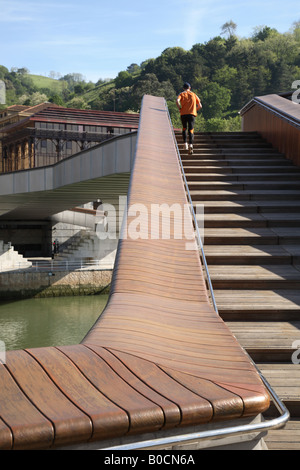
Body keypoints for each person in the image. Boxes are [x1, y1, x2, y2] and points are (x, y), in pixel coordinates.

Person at [176, 82, 202, 154]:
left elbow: (177, 101)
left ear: (183, 88)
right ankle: (191, 144)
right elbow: (200, 105)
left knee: (184, 128)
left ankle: (185, 144)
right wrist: (194, 110)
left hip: (183, 114)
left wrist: (179, 108)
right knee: (191, 129)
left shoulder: (181, 94)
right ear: (189, 88)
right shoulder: (194, 94)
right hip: (192, 114)